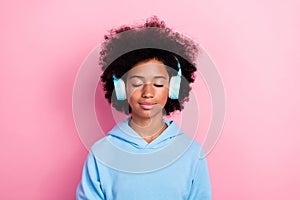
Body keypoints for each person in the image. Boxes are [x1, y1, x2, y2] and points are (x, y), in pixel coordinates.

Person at [76, 16, 212, 200]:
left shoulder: (192, 153)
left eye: (157, 84)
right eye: (137, 83)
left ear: (173, 88)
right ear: (122, 88)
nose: (148, 92)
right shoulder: (101, 153)